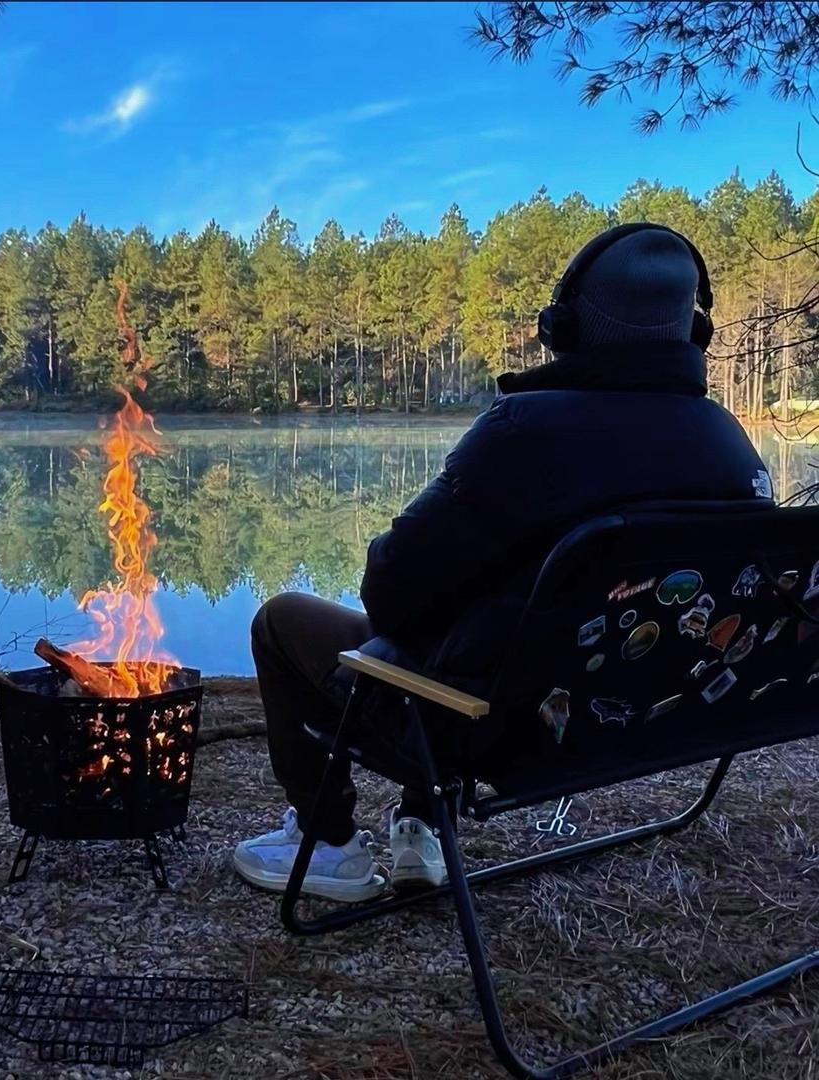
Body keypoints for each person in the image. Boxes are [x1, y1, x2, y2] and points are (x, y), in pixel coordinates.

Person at [233, 224, 774, 902]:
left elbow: (390, 595)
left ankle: (330, 844)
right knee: (479, 616)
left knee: (283, 620)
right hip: (665, 716)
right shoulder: (732, 444)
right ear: (693, 334)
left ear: (564, 326)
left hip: (504, 728)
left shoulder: (525, 432)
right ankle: (420, 828)